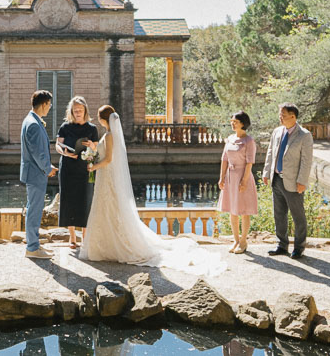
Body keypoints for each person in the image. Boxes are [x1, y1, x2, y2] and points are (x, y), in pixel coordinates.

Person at [80, 106, 225, 275]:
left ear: (102, 119)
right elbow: (105, 152)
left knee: (110, 208)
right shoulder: (109, 135)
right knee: (107, 209)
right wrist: (94, 148)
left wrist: (93, 167)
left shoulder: (110, 135)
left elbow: (109, 159)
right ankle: (107, 245)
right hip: (105, 177)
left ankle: (110, 246)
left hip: (107, 176)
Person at [262, 103, 313, 259]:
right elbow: (271, 152)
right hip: (276, 179)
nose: (280, 117)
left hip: (293, 182)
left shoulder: (304, 135)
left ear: (293, 116)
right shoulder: (277, 132)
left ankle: (299, 247)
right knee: (279, 214)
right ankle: (282, 245)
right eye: (280, 114)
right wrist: (266, 172)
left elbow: (306, 161)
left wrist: (302, 181)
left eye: (283, 115)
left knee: (298, 216)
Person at [55, 96, 98, 249]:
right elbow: (58, 145)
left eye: (80, 110)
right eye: (75, 110)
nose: (78, 113)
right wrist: (64, 153)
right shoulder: (65, 127)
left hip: (85, 169)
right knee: (69, 201)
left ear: (85, 110)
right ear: (71, 112)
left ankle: (85, 236)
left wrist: (92, 145)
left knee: (86, 200)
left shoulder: (92, 128)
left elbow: (96, 150)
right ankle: (72, 236)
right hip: (68, 167)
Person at [20, 90, 58, 259]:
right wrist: (47, 168)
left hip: (35, 172)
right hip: (35, 174)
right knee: (34, 211)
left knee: (33, 209)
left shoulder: (32, 121)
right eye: (49, 105)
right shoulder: (34, 124)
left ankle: (34, 245)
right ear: (43, 104)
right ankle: (33, 248)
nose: (49, 108)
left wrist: (47, 167)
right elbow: (37, 152)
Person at [217, 111, 258, 254]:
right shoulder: (229, 139)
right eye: (232, 121)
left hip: (242, 175)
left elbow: (250, 162)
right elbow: (224, 159)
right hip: (230, 176)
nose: (232, 123)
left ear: (243, 123)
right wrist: (222, 177)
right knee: (232, 210)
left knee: (244, 210)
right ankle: (235, 239)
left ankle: (243, 241)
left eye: (235, 121)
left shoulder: (249, 141)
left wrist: (244, 181)